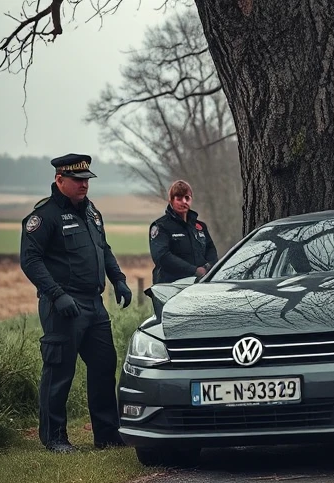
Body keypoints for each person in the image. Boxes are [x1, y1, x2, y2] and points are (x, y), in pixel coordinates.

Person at [19, 154, 132, 453]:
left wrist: (118, 278)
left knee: (104, 367)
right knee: (59, 371)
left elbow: (103, 248)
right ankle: (54, 437)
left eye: (87, 180)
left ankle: (107, 435)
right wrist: (56, 294)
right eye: (78, 180)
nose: (84, 185)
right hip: (63, 306)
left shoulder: (92, 212)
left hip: (94, 305)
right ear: (60, 180)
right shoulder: (45, 216)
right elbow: (30, 261)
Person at [149, 180, 219, 284]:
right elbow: (162, 257)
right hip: (170, 285)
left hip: (199, 284)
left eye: (187, 198)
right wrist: (194, 270)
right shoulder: (160, 226)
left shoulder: (200, 227)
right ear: (171, 200)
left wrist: (208, 267)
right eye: (179, 198)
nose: (184, 202)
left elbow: (211, 250)